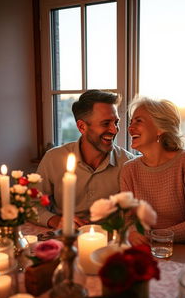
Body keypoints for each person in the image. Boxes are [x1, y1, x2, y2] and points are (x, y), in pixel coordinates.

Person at [120, 96, 185, 250]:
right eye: (131, 122)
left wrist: (157, 235)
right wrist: (134, 231)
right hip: (152, 249)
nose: (130, 128)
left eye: (138, 121)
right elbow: (128, 219)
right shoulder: (129, 169)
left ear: (160, 128)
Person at [36, 90, 134, 229]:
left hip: (110, 241)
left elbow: (134, 213)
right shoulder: (53, 159)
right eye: (106, 123)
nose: (114, 130)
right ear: (82, 127)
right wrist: (55, 220)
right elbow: (32, 205)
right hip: (66, 238)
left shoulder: (127, 163)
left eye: (116, 122)